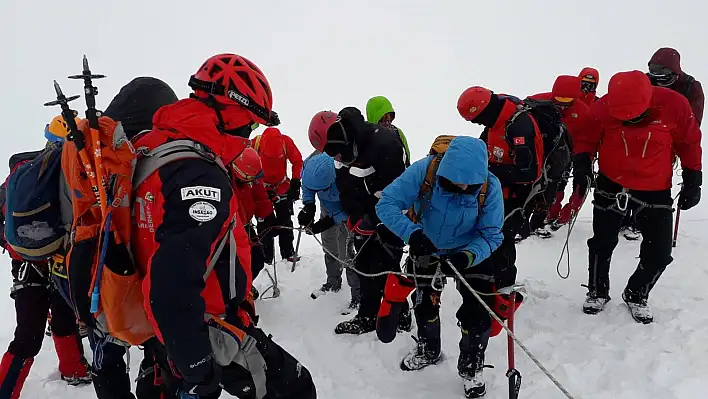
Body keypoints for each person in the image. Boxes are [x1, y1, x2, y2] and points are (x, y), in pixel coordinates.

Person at [129, 53, 315, 398]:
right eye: (252, 125)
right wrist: (196, 364)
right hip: (206, 326)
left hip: (160, 327)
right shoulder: (197, 171)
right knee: (297, 389)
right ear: (234, 114)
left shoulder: (151, 147)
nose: (250, 134)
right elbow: (173, 280)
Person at [376, 136, 504, 398]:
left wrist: (468, 256)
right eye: (456, 181)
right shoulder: (426, 170)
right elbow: (386, 204)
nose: (463, 186)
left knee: (478, 311)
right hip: (427, 245)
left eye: (470, 183)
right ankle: (428, 348)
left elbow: (492, 233)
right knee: (425, 303)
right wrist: (411, 233)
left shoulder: (490, 186)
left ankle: (471, 367)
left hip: (470, 252)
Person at [572, 70, 702, 323]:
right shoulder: (603, 106)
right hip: (611, 184)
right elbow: (586, 137)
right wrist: (582, 165)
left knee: (661, 252)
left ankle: (636, 293)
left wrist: (693, 180)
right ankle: (597, 291)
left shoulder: (675, 104)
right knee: (602, 242)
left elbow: (689, 142)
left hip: (655, 188)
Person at [0, 117, 91, 399]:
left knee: (29, 332)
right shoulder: (78, 178)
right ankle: (74, 370)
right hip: (62, 260)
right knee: (61, 316)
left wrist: (14, 244)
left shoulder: (22, 176)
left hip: (28, 264)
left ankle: (8, 389)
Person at [311, 106, 411, 335]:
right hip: (362, 219)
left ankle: (400, 315)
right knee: (365, 265)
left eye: (337, 153)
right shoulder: (340, 151)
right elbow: (345, 188)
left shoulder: (385, 144)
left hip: (390, 217)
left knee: (387, 265)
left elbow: (396, 193)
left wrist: (373, 220)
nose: (337, 158)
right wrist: (353, 218)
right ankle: (368, 316)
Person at [298, 148, 361, 313]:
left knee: (346, 255)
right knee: (328, 247)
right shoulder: (311, 165)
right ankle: (333, 283)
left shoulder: (347, 176)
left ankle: (358, 295)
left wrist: (329, 221)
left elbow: (352, 209)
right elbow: (307, 187)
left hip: (344, 216)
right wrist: (308, 206)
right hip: (327, 209)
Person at [526, 75, 590, 232]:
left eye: (567, 101)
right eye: (559, 99)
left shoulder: (583, 111)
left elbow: (587, 136)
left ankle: (548, 216)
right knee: (533, 185)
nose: (562, 104)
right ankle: (525, 221)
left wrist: (581, 157)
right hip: (540, 151)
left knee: (557, 185)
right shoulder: (538, 102)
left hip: (565, 155)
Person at [252, 127, 304, 264]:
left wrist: (295, 181)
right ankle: (266, 258)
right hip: (261, 190)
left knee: (285, 221)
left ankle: (288, 253)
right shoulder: (253, 145)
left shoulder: (286, 142)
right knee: (264, 225)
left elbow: (297, 161)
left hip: (282, 187)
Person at [230, 147, 276, 300]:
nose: (253, 180)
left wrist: (268, 215)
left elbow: (260, 195)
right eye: (250, 178)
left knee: (257, 261)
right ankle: (238, 292)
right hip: (230, 230)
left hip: (247, 226)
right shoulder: (224, 179)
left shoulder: (251, 174)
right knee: (234, 265)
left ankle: (245, 285)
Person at [647, 47, 704, 126]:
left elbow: (693, 125)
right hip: (646, 133)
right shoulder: (644, 82)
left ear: (674, 71)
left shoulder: (691, 87)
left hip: (675, 133)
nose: (656, 75)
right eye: (652, 69)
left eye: (662, 71)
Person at [366, 96, 411, 167]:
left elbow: (407, 159)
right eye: (383, 119)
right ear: (374, 118)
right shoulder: (365, 136)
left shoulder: (397, 133)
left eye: (389, 118)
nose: (387, 123)